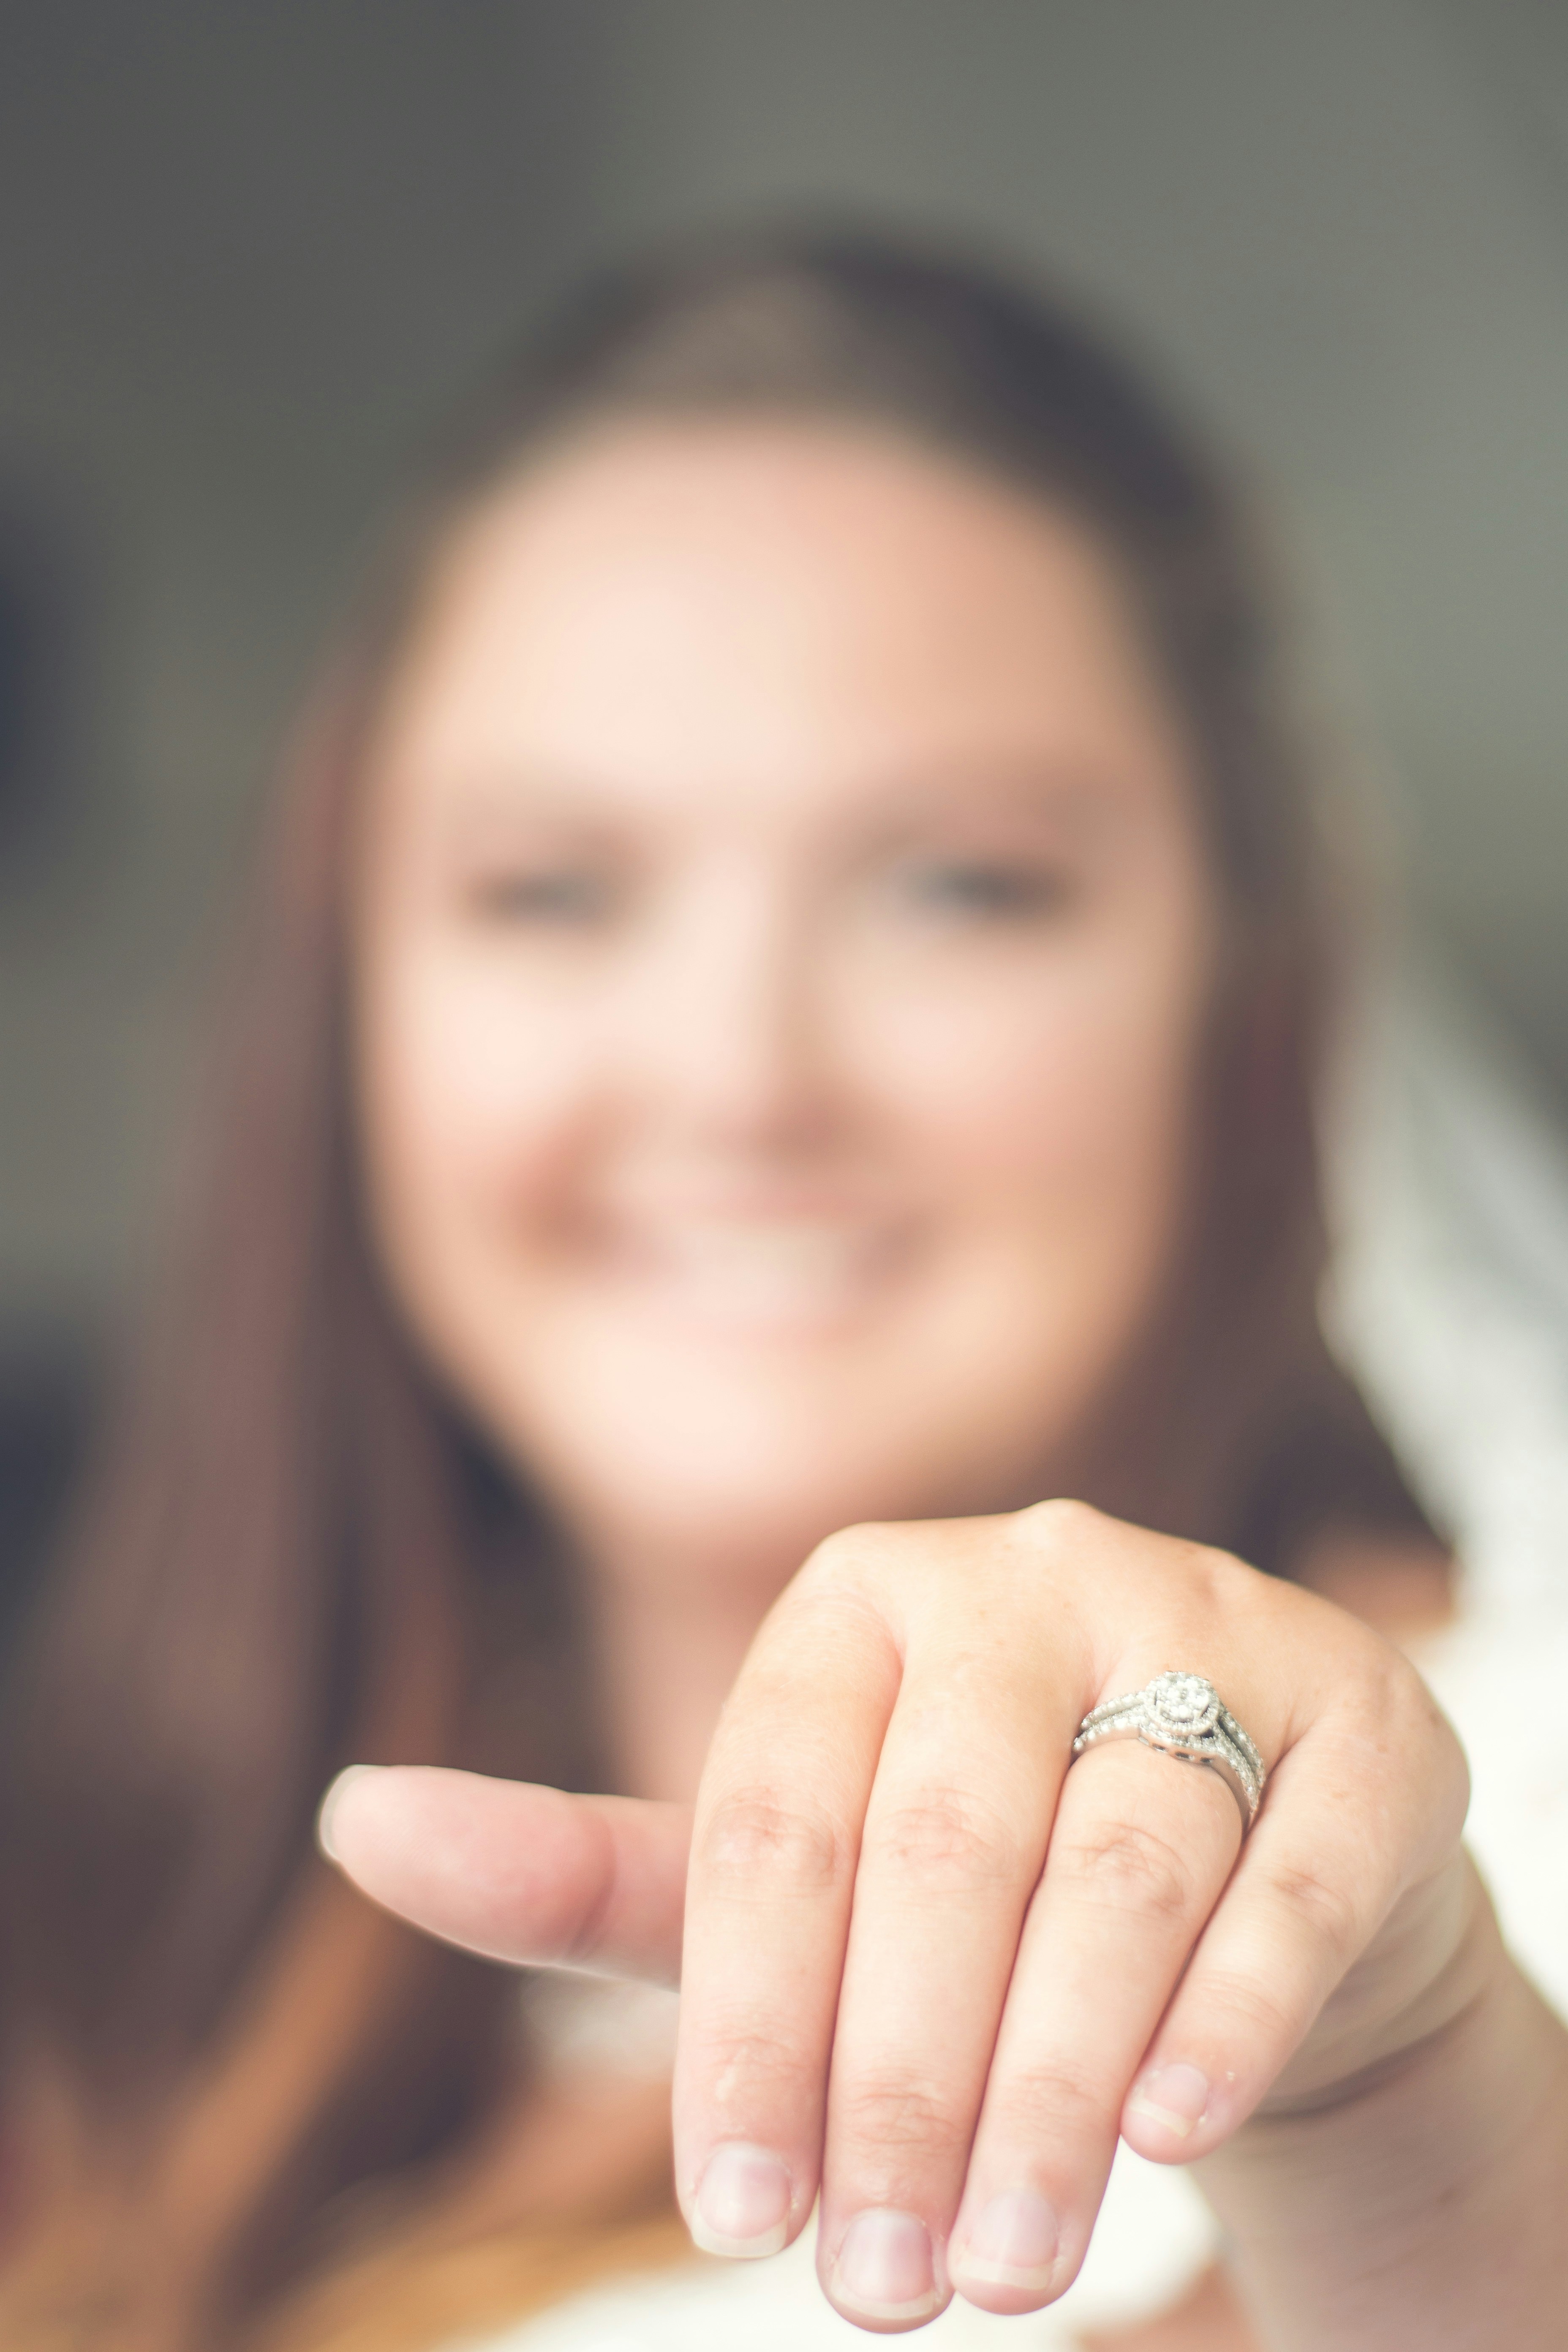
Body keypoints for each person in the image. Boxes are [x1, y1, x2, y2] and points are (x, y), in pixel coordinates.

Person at [1, 230, 1565, 2352]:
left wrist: (1410, 2116)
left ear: (1244, 997)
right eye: (552, 890)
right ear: (351, 996)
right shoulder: (119, 1949)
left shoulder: (1476, 1878)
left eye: (959, 888)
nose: (740, 1079)